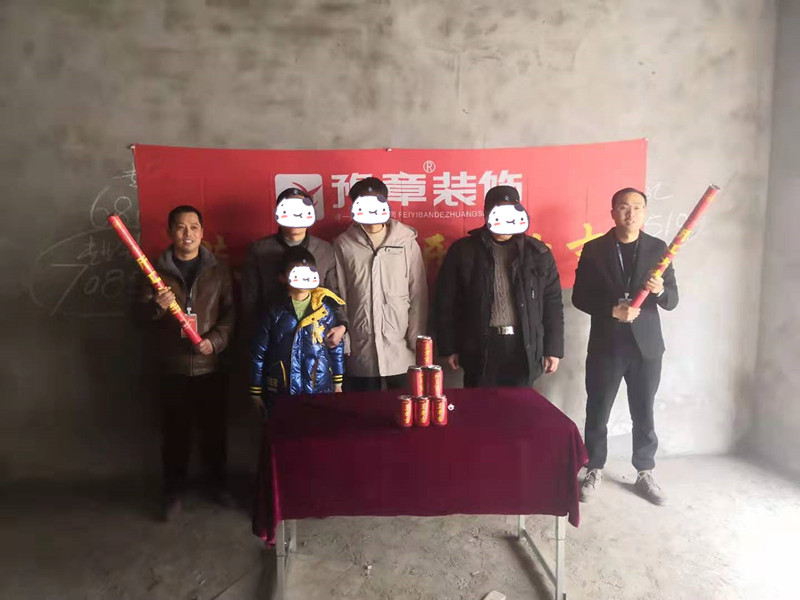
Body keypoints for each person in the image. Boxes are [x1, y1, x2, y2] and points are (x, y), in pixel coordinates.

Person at [572, 187, 679, 505]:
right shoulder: (594, 249)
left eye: (637, 207)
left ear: (644, 212)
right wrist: (611, 310)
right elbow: (579, 296)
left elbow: (672, 300)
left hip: (647, 347)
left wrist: (659, 291)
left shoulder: (659, 249)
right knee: (598, 409)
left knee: (643, 411)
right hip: (607, 344)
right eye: (623, 207)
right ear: (612, 212)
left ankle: (644, 471)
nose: (630, 213)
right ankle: (593, 467)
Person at [137, 205, 235, 521]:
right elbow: (137, 318)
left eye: (194, 227)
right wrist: (157, 305)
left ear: (203, 232)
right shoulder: (154, 272)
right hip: (173, 367)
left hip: (210, 366)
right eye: (180, 227)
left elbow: (231, 315)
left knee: (214, 433)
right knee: (175, 435)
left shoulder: (219, 271)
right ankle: (173, 492)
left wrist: (214, 341)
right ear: (170, 232)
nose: (187, 233)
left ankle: (217, 485)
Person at [434, 185, 564, 387]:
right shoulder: (463, 251)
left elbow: (552, 303)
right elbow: (446, 301)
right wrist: (448, 347)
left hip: (523, 345)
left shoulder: (538, 253)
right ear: (487, 213)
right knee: (480, 403)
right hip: (480, 345)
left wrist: (553, 349)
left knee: (519, 404)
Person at [332, 177, 428, 391]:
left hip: (401, 346)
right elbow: (340, 294)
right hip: (361, 346)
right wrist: (346, 341)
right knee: (364, 407)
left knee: (403, 405)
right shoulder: (343, 244)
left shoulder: (406, 241)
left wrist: (416, 338)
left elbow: (418, 293)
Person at [241, 187, 346, 350]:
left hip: (315, 340)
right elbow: (250, 301)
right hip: (273, 340)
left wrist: (342, 325)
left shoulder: (324, 250)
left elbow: (333, 295)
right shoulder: (259, 250)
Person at [248, 247, 345, 414]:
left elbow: (335, 347)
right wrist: (255, 391)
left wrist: (338, 384)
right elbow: (258, 352)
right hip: (282, 389)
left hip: (320, 388)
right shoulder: (273, 311)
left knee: (318, 427)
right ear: (282, 277)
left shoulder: (324, 310)